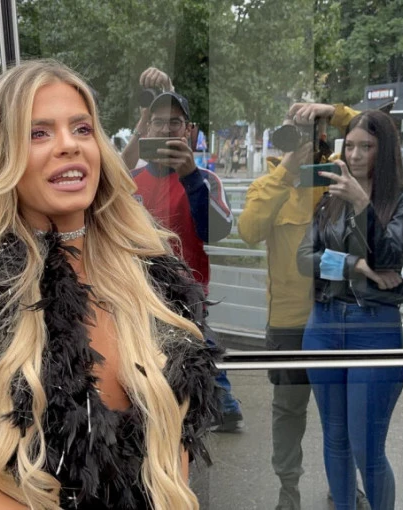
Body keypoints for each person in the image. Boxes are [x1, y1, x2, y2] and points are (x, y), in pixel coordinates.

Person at [0, 60, 221, 510]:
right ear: (2, 155)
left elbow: (175, 435)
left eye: (82, 129)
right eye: (39, 133)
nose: (69, 145)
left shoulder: (151, 274)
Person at [238, 102, 359, 510]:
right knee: (288, 411)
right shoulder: (270, 183)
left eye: (312, 131)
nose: (305, 139)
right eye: (295, 131)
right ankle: (288, 488)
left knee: (342, 412)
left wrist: (334, 113)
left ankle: (344, 484)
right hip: (289, 322)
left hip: (337, 315)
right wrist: (288, 168)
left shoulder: (339, 175)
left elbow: (376, 134)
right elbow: (249, 230)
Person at [297, 110, 403, 510]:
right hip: (324, 323)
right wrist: (355, 265)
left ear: (384, 151)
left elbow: (389, 258)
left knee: (367, 446)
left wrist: (363, 204)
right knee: (335, 438)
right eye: (349, 146)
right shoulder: (330, 197)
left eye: (366, 146)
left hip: (374, 327)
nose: (354, 155)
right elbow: (304, 259)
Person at [121, 67, 243, 432]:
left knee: (190, 372)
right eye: (157, 122)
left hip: (190, 297)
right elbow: (106, 180)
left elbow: (215, 231)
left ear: (189, 131)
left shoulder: (206, 179)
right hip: (139, 296)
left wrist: (190, 175)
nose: (165, 129)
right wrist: (141, 124)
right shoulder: (132, 180)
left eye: (175, 123)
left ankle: (217, 408)